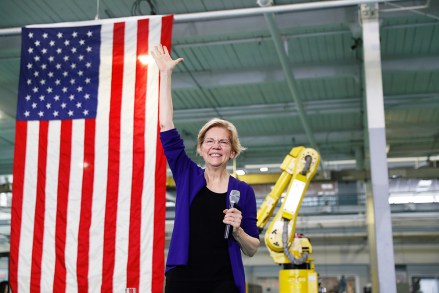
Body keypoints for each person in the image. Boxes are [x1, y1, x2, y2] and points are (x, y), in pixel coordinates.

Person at [151, 44, 260, 293]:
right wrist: (165, 74)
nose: (215, 146)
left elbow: (252, 248)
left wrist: (238, 230)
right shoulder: (187, 175)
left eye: (223, 142)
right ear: (200, 149)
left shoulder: (243, 191)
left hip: (224, 281)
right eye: (209, 141)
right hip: (184, 277)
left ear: (232, 152)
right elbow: (166, 125)